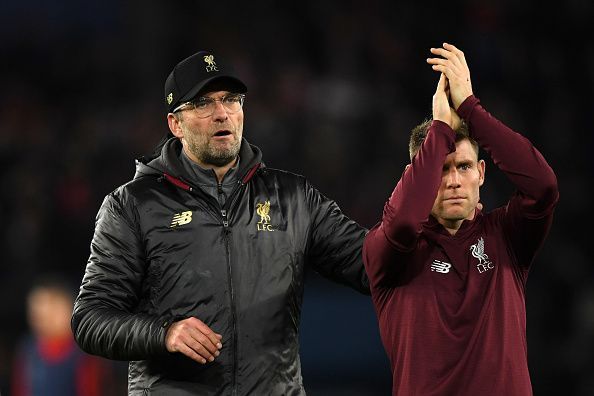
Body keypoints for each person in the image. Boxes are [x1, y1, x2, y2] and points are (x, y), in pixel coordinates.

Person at [71, 50, 369, 395]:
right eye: (202, 104)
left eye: (231, 99)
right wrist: (164, 332)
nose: (221, 113)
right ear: (175, 124)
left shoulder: (293, 198)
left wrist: (432, 182)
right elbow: (90, 319)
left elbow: (374, 262)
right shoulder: (133, 205)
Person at [363, 43, 559, 395]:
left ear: (481, 173)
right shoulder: (388, 252)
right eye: (440, 169)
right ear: (417, 176)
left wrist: (471, 107)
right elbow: (405, 222)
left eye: (464, 167)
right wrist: (439, 127)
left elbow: (543, 186)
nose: (453, 180)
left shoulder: (506, 237)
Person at [12, 276, 115, 396]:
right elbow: (20, 389)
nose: (45, 318)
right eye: (37, 311)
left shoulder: (86, 353)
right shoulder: (28, 349)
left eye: (53, 309)